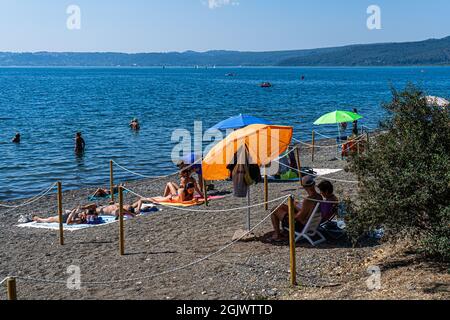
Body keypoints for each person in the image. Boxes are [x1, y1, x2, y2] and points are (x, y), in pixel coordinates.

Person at [270, 175, 323, 242]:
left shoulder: (307, 200)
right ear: (314, 184)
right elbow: (307, 211)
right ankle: (281, 232)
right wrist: (295, 206)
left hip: (300, 226)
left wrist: (290, 212)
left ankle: (277, 235)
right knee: (282, 206)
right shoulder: (319, 197)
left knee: (274, 210)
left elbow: (300, 218)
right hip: (311, 223)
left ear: (304, 187)